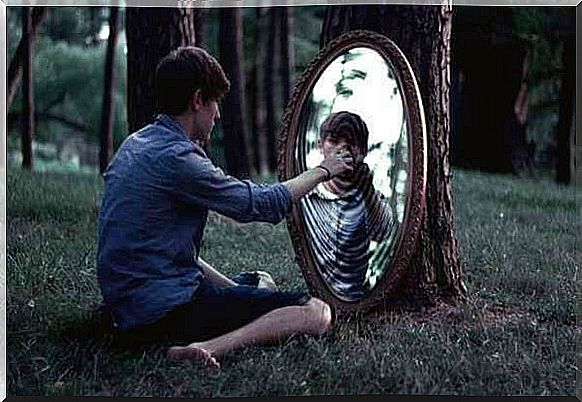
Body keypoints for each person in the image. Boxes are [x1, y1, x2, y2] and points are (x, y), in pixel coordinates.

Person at [97, 46, 355, 369]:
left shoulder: (133, 145)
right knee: (317, 313)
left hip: (124, 311)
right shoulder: (180, 160)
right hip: (164, 314)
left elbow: (174, 254)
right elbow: (261, 203)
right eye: (214, 102)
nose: (217, 114)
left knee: (261, 281)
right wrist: (323, 170)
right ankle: (208, 347)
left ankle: (235, 311)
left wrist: (241, 295)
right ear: (196, 100)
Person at [300, 111, 394, 301]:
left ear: (363, 152)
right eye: (333, 142)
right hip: (314, 297)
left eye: (351, 144)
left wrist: (368, 190)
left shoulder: (371, 199)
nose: (342, 152)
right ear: (320, 146)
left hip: (358, 298)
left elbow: (384, 233)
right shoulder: (306, 195)